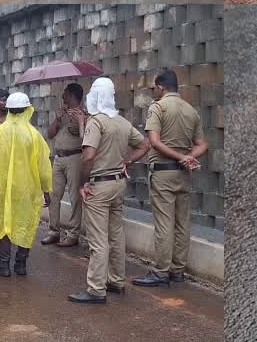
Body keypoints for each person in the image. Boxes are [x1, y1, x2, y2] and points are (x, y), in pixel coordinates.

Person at [68, 78, 149, 304]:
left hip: (99, 187)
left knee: (98, 240)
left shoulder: (96, 122)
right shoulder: (122, 122)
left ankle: (96, 289)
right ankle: (117, 281)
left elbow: (89, 156)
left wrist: (82, 183)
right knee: (116, 235)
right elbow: (145, 145)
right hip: (118, 184)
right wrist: (128, 161)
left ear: (94, 96)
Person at [133, 69, 209, 287]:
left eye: (154, 87)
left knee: (164, 224)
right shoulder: (190, 110)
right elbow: (203, 144)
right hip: (183, 175)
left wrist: (180, 157)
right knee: (182, 222)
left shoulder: (158, 108)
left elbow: (154, 142)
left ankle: (161, 272)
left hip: (164, 173)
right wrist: (187, 158)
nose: (153, 91)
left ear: (161, 87)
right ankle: (178, 271)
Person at [0, 92, 52, 277]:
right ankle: (20, 263)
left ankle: (3, 263)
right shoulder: (33, 135)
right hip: (27, 189)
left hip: (0, 188)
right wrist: (46, 190)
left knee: (3, 222)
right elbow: (44, 165)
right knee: (25, 223)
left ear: (9, 109)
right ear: (28, 109)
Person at [42, 82, 87, 247]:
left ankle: (73, 234)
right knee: (54, 195)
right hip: (59, 158)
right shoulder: (61, 113)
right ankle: (54, 231)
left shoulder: (84, 115)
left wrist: (81, 121)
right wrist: (57, 118)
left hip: (75, 157)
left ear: (73, 95)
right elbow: (50, 134)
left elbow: (87, 138)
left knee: (75, 197)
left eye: (65, 93)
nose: (62, 96)